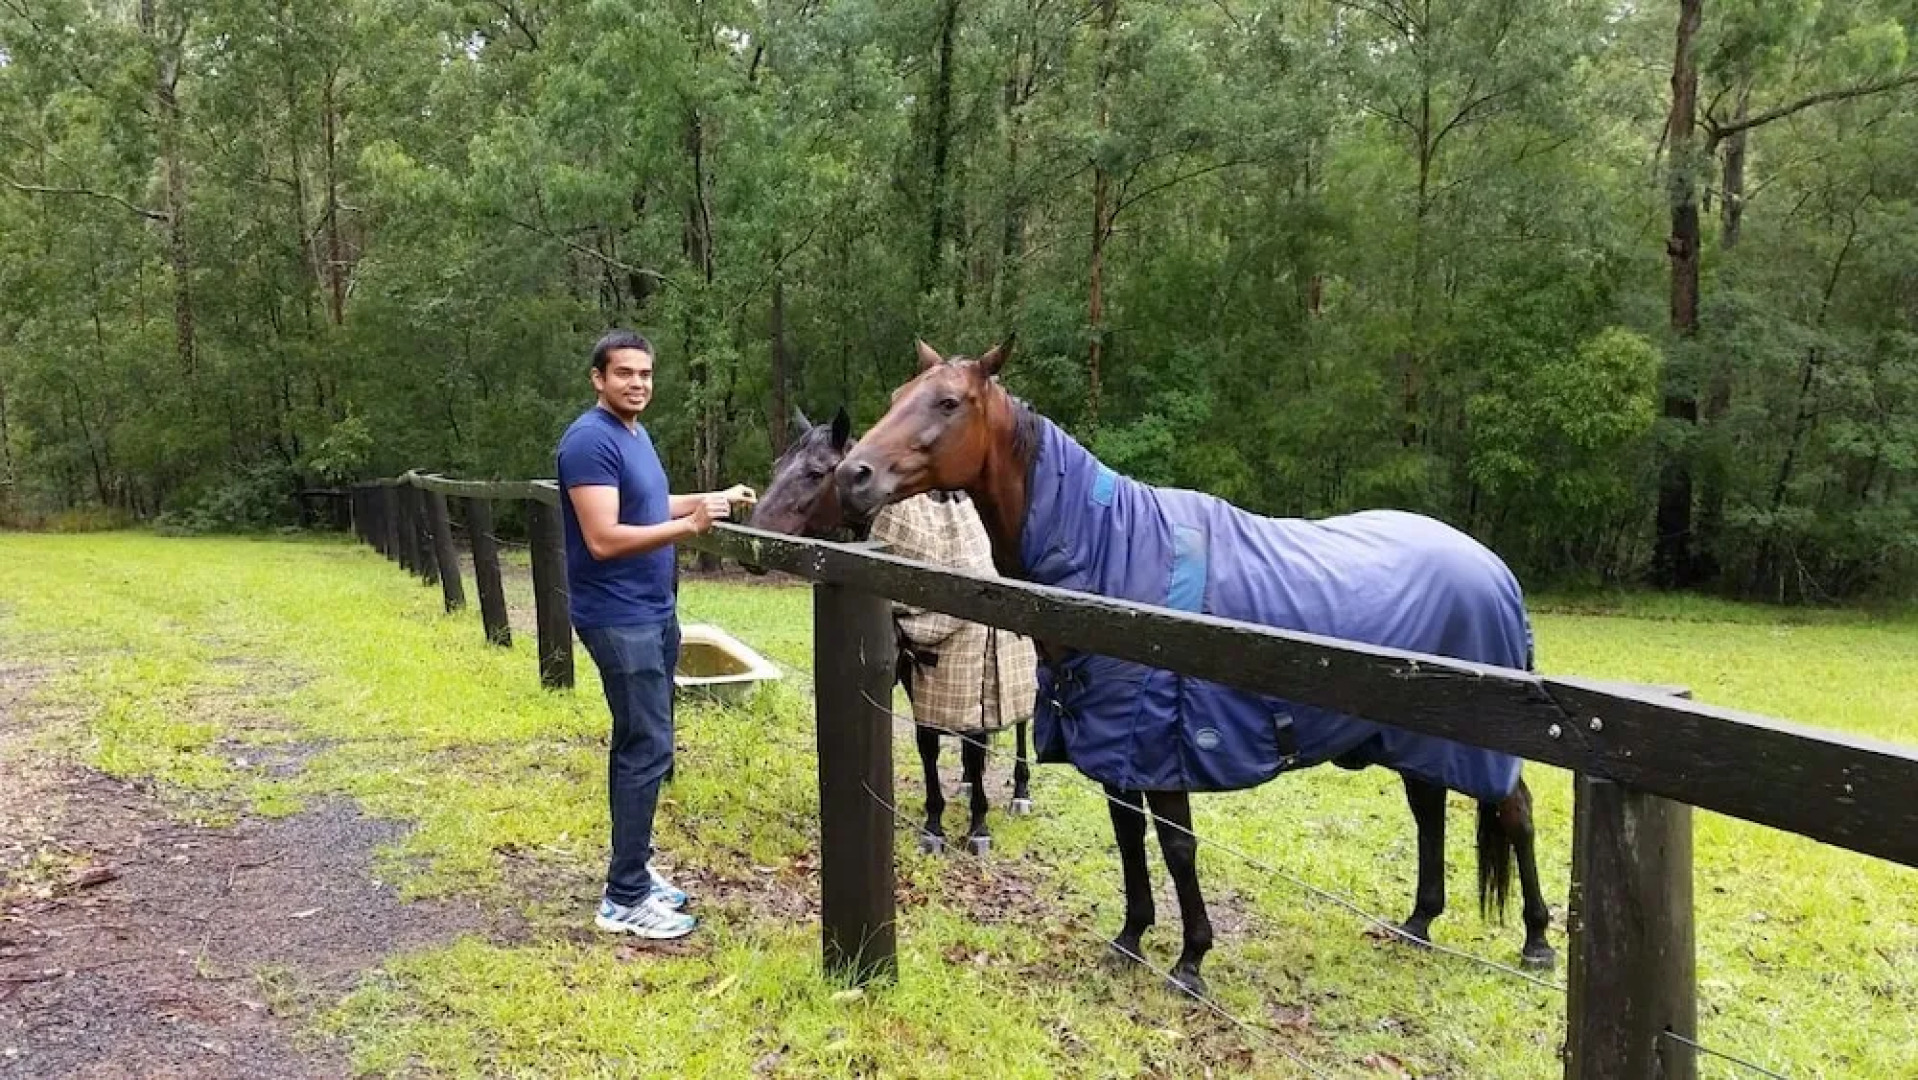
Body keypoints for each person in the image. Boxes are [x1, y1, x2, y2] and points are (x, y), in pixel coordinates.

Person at [556, 328, 755, 940]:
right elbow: (604, 537)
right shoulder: (590, 441)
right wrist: (692, 528)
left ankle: (634, 871)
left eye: (644, 374)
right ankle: (623, 898)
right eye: (624, 374)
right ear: (598, 378)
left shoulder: (634, 435)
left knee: (643, 744)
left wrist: (708, 499)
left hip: (651, 610)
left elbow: (647, 505)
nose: (636, 383)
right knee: (646, 748)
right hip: (619, 617)